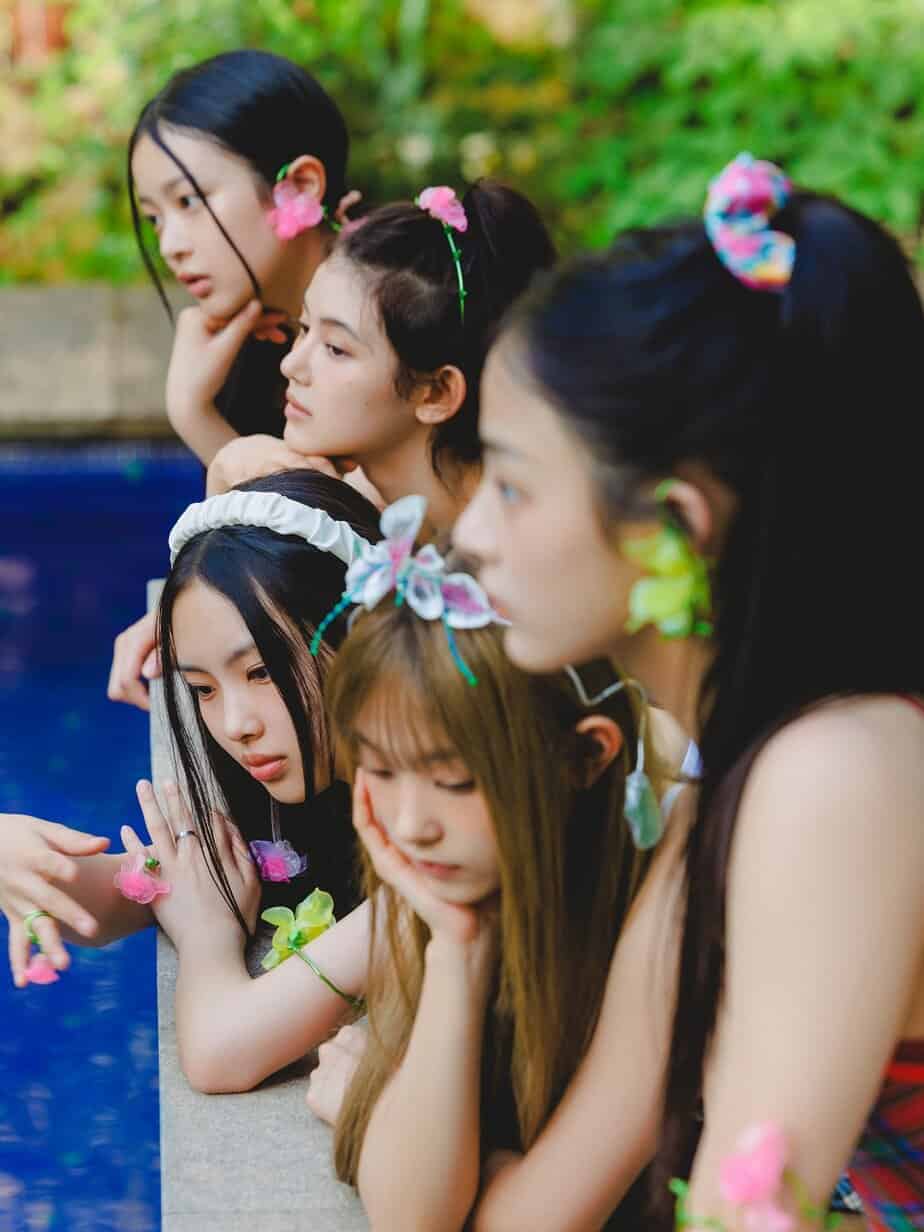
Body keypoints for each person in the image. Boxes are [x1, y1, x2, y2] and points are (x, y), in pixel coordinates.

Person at [453, 153, 924, 1229]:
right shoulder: (742, 774)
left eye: (512, 485)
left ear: (672, 527)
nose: (470, 533)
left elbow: (751, 1212)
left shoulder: (836, 778)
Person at [312, 499, 654, 1230]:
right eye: (381, 771)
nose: (411, 825)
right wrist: (457, 951)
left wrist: (380, 1126)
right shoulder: (445, 893)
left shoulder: (663, 910)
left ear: (585, 756)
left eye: (455, 781)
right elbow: (416, 1217)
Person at [2, 470, 381, 989]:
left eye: (261, 672)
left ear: (360, 634)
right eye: (203, 689)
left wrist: (208, 941)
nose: (235, 725)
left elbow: (224, 1042)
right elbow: (114, 897)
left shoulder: (434, 832)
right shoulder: (281, 816)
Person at [109, 48, 357, 709]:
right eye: (155, 216)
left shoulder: (401, 319)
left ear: (300, 188)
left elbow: (354, 552)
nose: (170, 243)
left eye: (190, 201)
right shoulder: (251, 348)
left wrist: (196, 418)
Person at [206, 179, 557, 538]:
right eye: (304, 327)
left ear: (435, 393)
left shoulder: (517, 543)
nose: (290, 365)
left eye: (336, 348)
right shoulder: (355, 505)